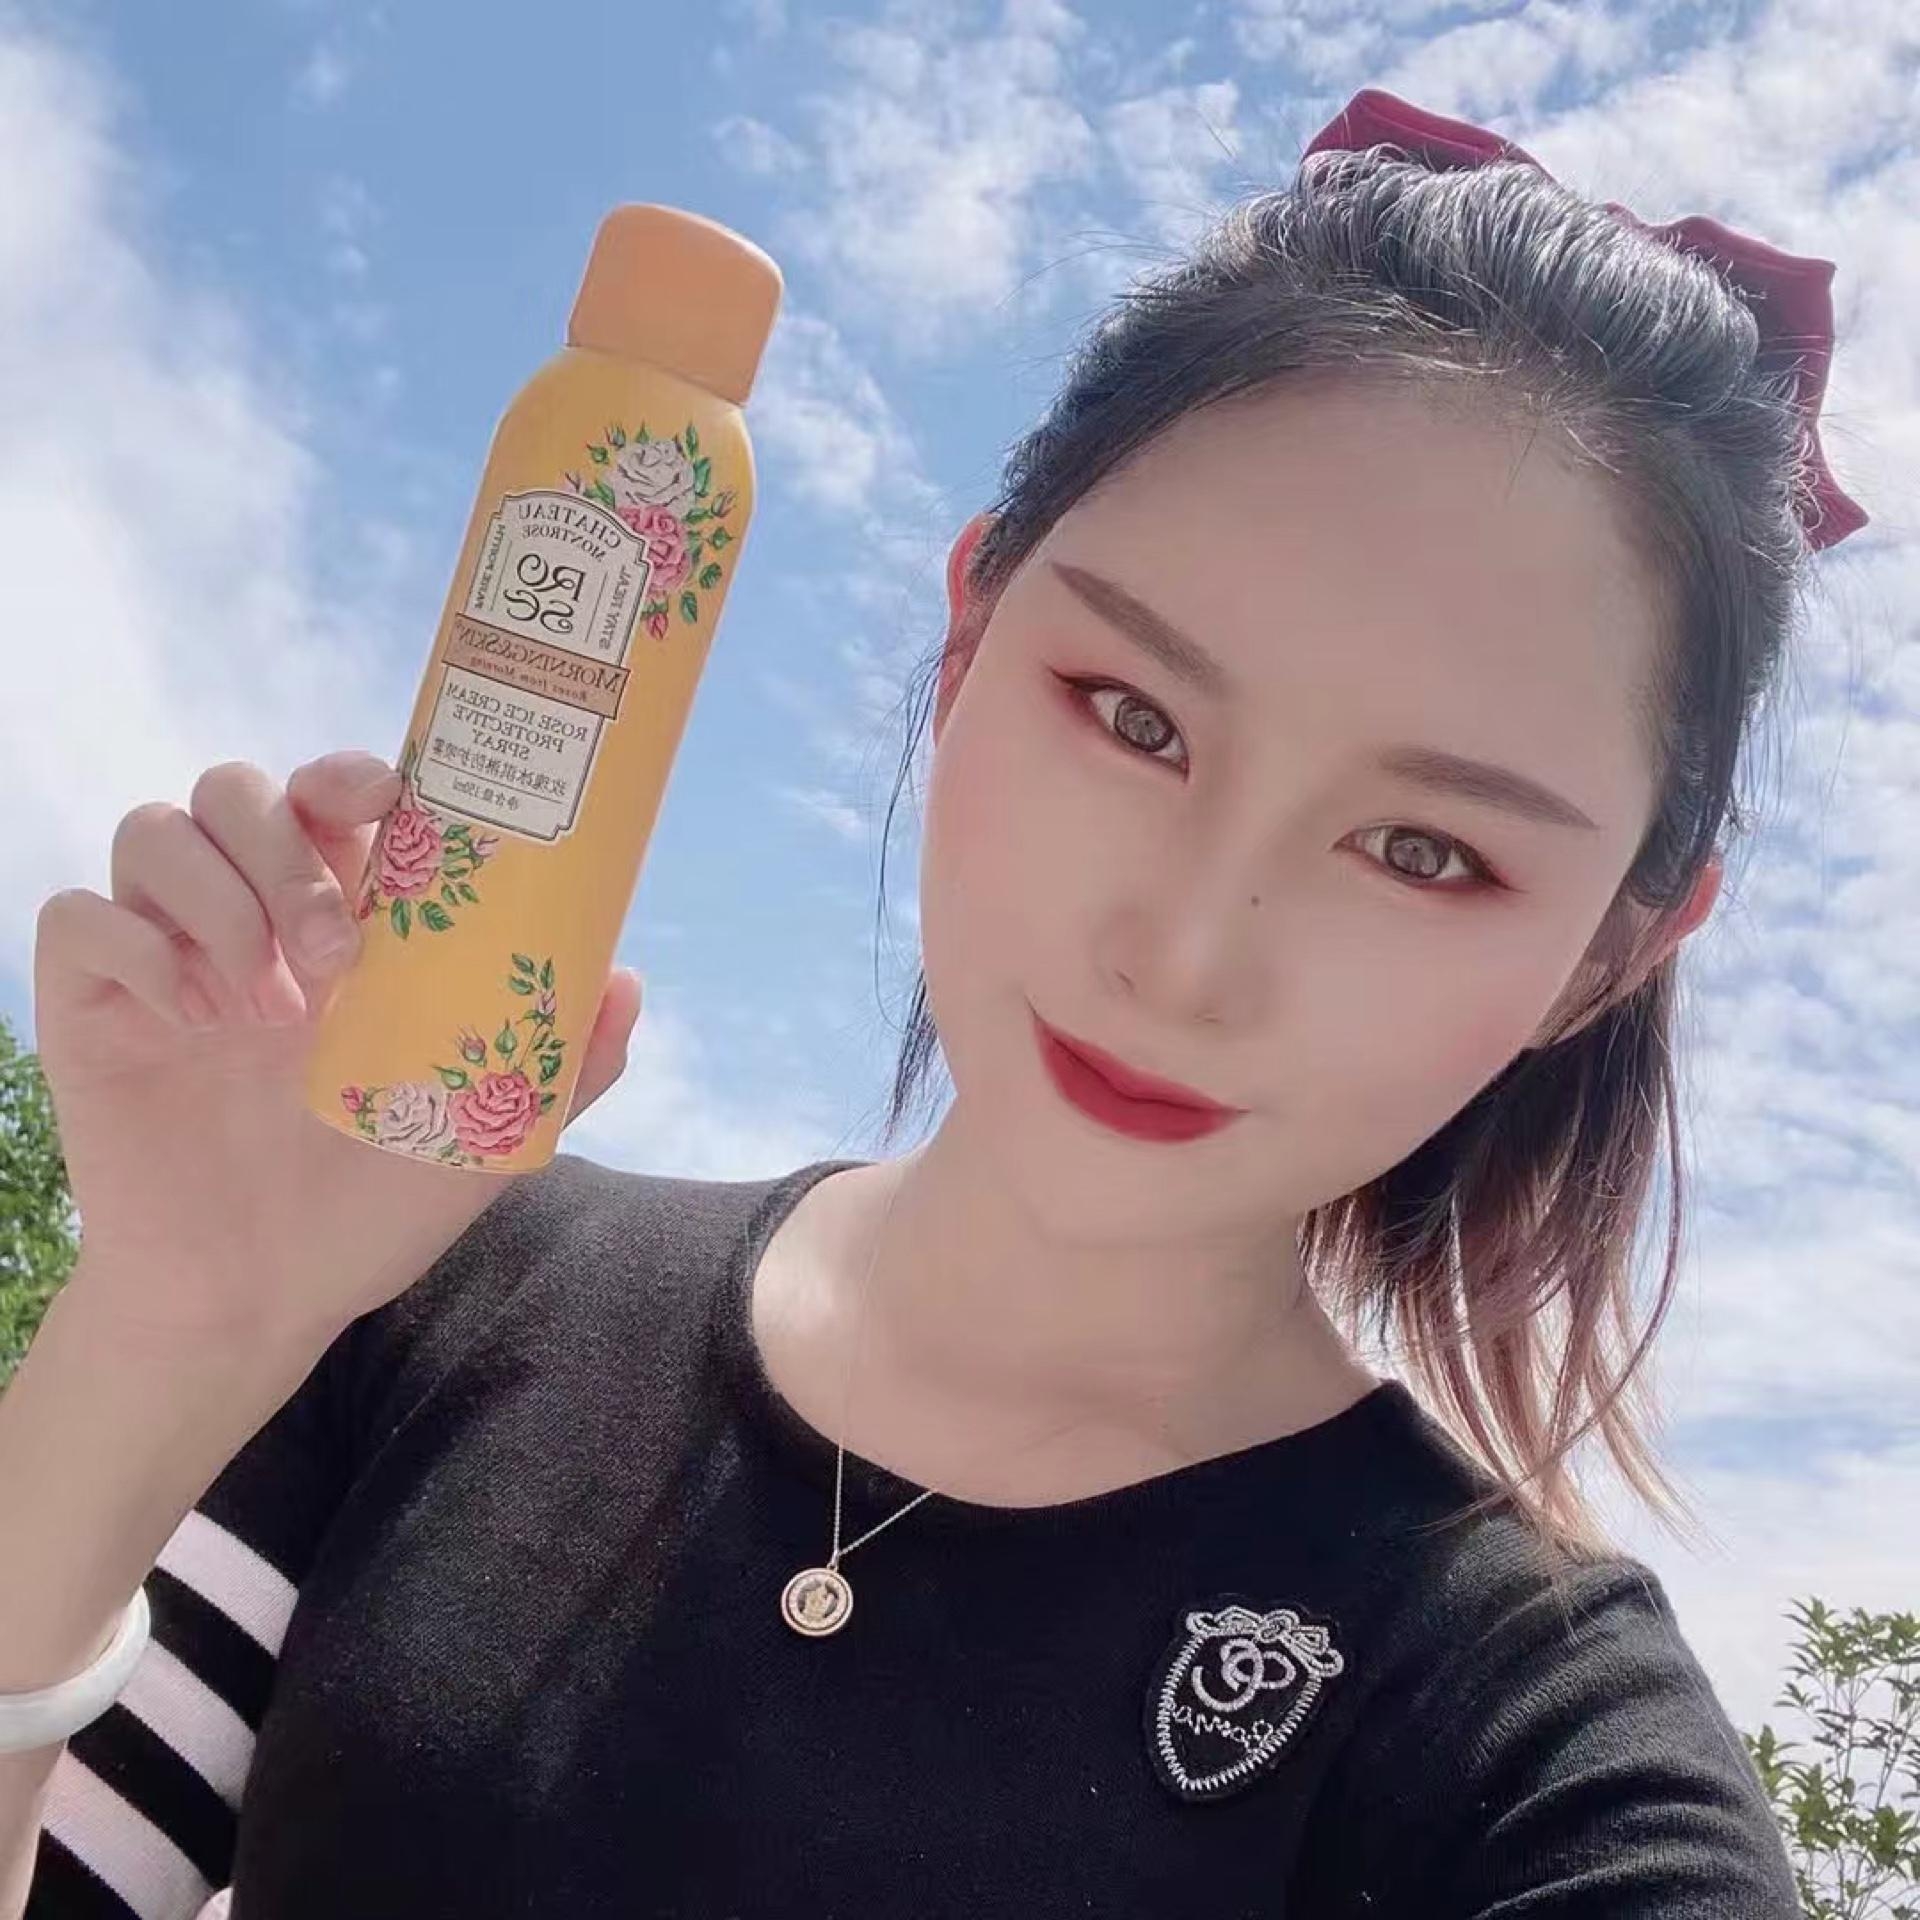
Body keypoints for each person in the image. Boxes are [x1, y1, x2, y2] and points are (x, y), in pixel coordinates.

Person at [0, 85, 1868, 1920]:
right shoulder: (426, 1292)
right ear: (971, 633)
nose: (1184, 956)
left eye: (1425, 852)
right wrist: (165, 1336)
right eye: (1134, 718)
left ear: (1609, 958)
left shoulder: (1533, 1760)